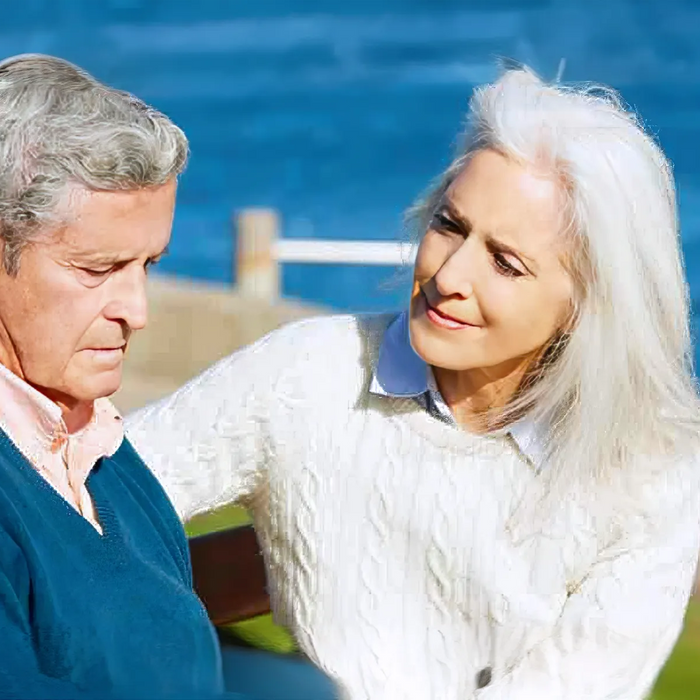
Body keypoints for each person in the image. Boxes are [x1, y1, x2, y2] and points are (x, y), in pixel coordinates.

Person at [127, 66, 700, 699]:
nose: (450, 273)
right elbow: (79, 502)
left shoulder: (653, 475)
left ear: (587, 306)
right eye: (450, 226)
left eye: (505, 262)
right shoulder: (310, 371)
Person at [0, 53, 265, 700]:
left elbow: (134, 606)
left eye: (148, 264)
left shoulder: (97, 445)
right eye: (97, 270)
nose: (137, 311)